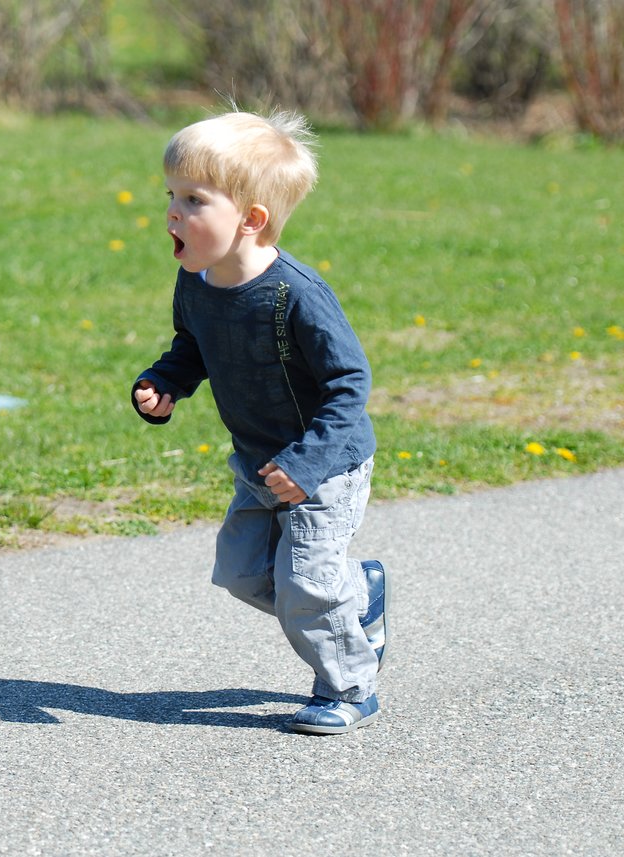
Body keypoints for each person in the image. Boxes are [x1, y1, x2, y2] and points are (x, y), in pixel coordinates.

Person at [131, 109, 390, 735]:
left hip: (324, 465)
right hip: (257, 464)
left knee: (303, 587)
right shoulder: (195, 280)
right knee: (244, 575)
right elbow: (190, 345)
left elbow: (349, 383)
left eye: (194, 199)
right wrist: (165, 382)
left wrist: (306, 465)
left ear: (251, 219)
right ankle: (357, 596)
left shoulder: (296, 294)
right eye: (171, 195)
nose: (172, 211)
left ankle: (348, 686)